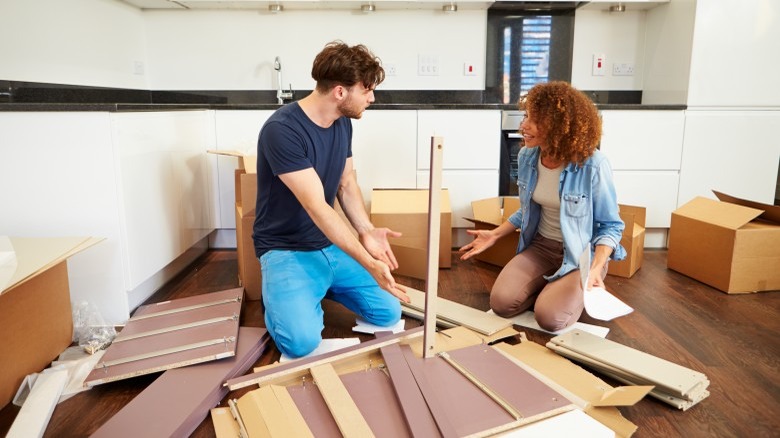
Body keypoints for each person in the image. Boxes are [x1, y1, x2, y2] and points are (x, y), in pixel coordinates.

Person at [252, 41, 408, 358]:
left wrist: (366, 230)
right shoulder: (281, 130)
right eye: (366, 90)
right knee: (300, 343)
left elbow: (346, 183)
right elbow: (317, 207)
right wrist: (368, 261)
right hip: (285, 248)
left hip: (327, 244)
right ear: (340, 92)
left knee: (388, 313)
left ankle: (319, 285)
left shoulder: (343, 121)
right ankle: (288, 297)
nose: (372, 97)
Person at [459, 81, 625, 332]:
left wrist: (595, 268)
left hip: (580, 255)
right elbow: (528, 209)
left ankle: (575, 286)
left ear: (558, 126)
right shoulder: (528, 156)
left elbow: (611, 226)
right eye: (526, 117)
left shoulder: (593, 165)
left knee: (550, 319)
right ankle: (552, 289)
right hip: (541, 247)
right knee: (502, 303)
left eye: (534, 120)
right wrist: (494, 234)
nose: (523, 126)